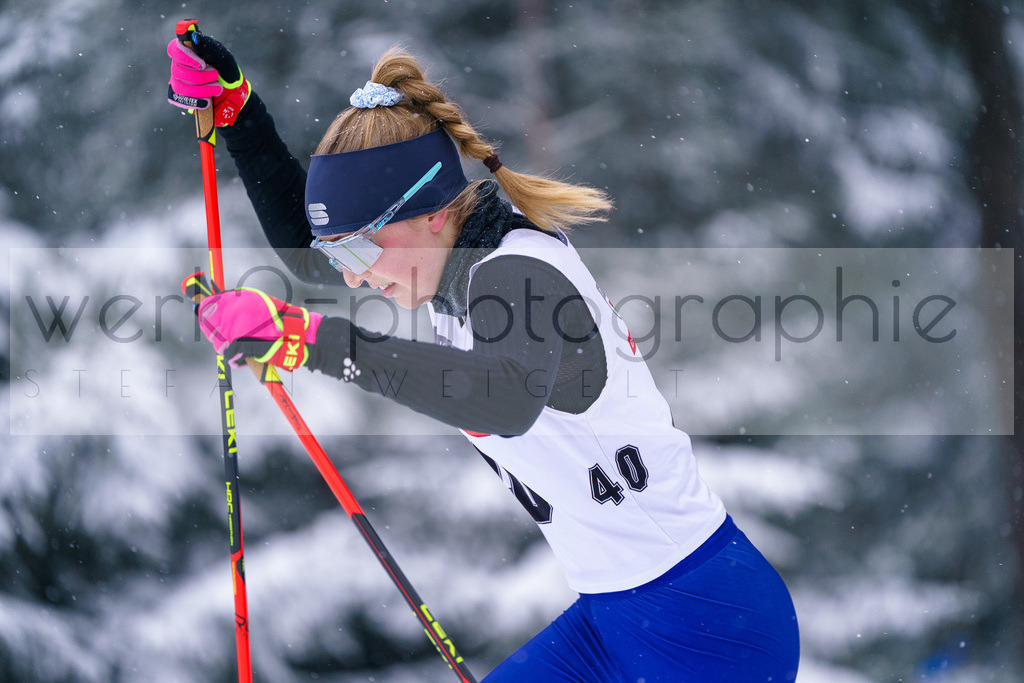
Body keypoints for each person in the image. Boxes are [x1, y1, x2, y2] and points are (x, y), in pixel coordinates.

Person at [167, 25, 800, 682]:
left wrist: (309, 339)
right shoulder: (454, 271)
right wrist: (240, 115)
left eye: (357, 250)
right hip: (618, 620)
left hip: (708, 626)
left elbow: (502, 396)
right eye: (339, 255)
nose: (350, 275)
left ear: (432, 211)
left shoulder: (518, 274)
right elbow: (310, 250)